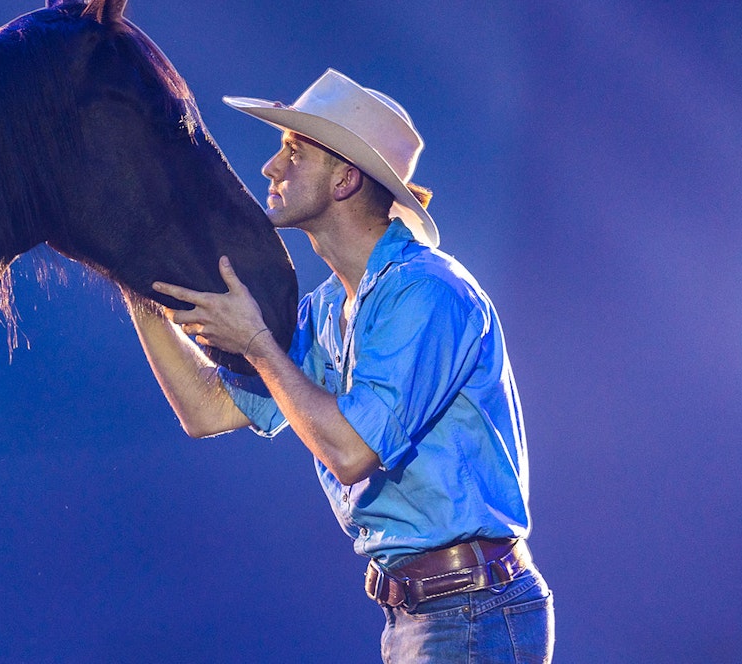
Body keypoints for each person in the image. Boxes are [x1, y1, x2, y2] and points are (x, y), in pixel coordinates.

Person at [124, 69, 554, 663]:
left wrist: (255, 342)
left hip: (472, 613)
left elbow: (351, 453)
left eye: (294, 152)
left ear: (346, 178)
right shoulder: (328, 308)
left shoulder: (428, 294)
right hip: (425, 614)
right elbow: (204, 410)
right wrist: (131, 270)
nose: (272, 169)